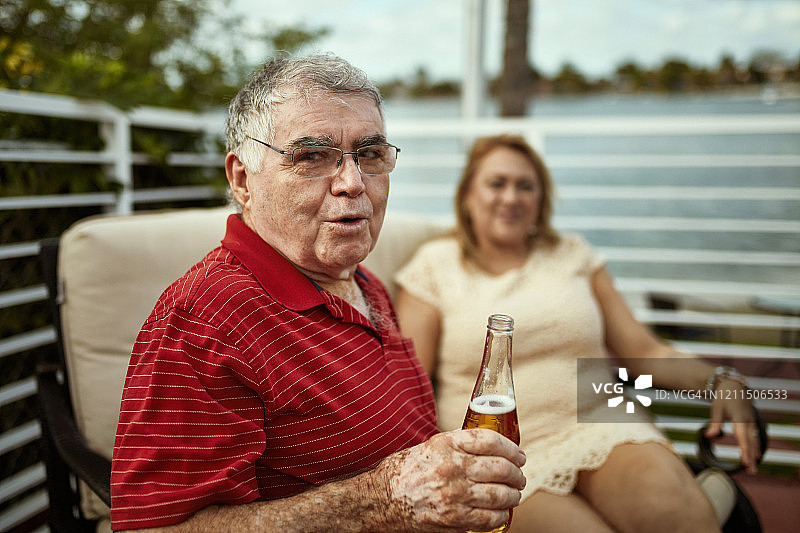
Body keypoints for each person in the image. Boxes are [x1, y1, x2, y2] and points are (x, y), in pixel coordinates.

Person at [110, 55, 526, 533]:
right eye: (312, 157)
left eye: (369, 154)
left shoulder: (360, 281)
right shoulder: (204, 321)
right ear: (242, 180)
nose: (352, 184)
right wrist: (385, 498)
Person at [394, 134, 759, 533]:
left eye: (525, 185)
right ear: (467, 195)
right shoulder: (433, 267)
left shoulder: (573, 254)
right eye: (497, 183)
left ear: (541, 200)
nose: (511, 197)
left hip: (599, 424)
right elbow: (410, 389)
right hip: (498, 452)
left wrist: (721, 380)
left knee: (681, 518)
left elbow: (642, 349)